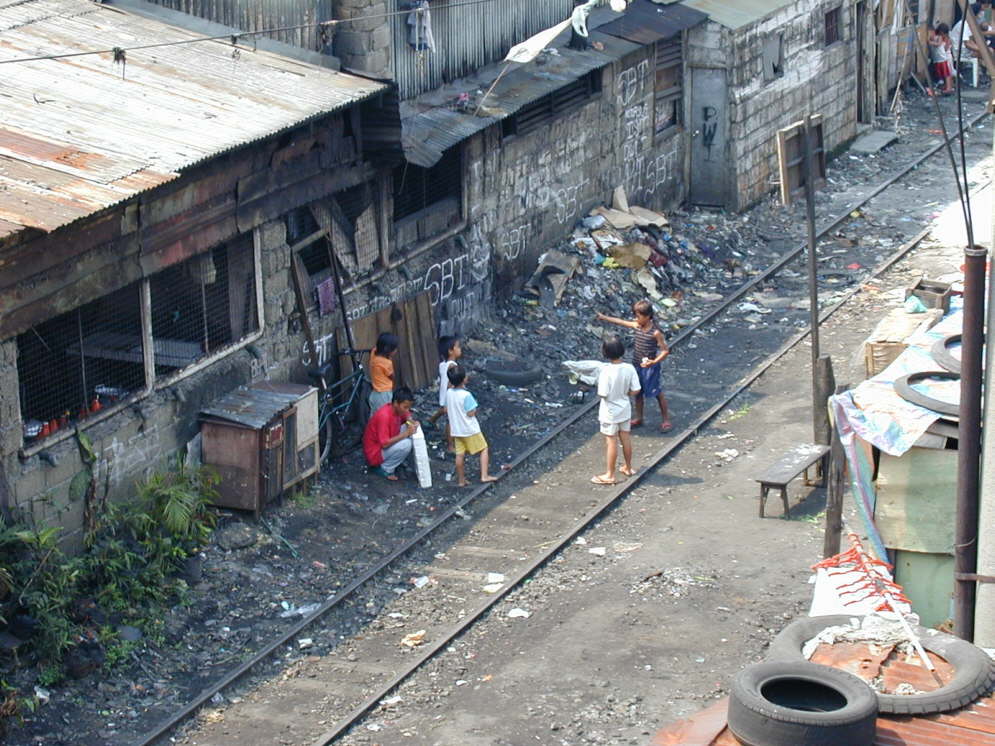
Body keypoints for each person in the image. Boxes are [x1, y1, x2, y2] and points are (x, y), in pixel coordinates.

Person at [596, 299, 672, 432]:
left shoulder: (655, 333)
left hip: (650, 368)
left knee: (657, 393)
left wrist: (654, 362)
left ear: (647, 316)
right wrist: (604, 317)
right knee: (638, 393)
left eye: (638, 316)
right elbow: (621, 322)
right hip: (637, 365)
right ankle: (639, 418)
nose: (636, 319)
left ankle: (666, 419)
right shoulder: (637, 325)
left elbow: (665, 350)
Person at [591, 336, 641, 486]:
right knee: (625, 437)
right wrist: (625, 395)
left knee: (611, 441)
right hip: (625, 408)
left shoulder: (606, 371)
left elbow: (603, 393)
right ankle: (628, 467)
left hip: (610, 412)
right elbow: (636, 389)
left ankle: (610, 474)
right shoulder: (629, 368)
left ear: (605, 353)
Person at [445, 364, 497, 486]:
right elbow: (471, 412)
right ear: (464, 379)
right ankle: (484, 475)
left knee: (459, 455)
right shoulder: (466, 395)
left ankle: (461, 480)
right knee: (484, 448)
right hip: (470, 429)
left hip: (457, 430)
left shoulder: (449, 393)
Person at [363, 386, 419, 481]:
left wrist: (411, 421)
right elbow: (384, 444)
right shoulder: (384, 416)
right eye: (405, 407)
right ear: (396, 403)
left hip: (385, 441)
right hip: (374, 452)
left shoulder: (395, 409)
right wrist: (405, 434)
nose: (407, 410)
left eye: (409, 407)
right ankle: (384, 469)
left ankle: (393, 459)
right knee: (407, 444)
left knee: (409, 427)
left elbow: (407, 415)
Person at [426, 336, 461, 452]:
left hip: (444, 396)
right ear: (451, 351)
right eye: (458, 346)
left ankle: (431, 420)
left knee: (446, 413)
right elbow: (452, 384)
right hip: (450, 396)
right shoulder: (453, 366)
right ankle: (451, 446)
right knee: (450, 421)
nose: (460, 349)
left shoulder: (443, 365)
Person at [368, 332, 399, 414]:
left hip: (375, 394)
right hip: (384, 394)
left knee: (375, 416)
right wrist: (390, 359)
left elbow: (375, 348)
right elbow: (392, 377)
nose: (396, 351)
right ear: (387, 349)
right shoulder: (386, 363)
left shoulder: (373, 354)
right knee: (385, 416)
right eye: (394, 349)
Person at [930, 23, 955, 95]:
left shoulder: (945, 39)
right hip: (940, 58)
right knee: (944, 73)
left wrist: (931, 42)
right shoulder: (938, 37)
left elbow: (945, 48)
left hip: (946, 58)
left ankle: (949, 87)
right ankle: (947, 86)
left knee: (947, 73)